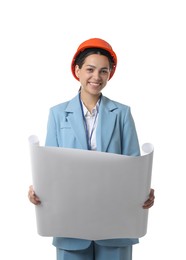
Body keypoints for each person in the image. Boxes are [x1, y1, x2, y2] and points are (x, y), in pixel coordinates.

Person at [28, 37, 155, 260]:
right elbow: (50, 167)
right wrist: (39, 189)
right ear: (77, 71)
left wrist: (143, 189)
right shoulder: (57, 115)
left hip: (116, 222)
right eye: (90, 69)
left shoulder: (122, 114)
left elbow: (135, 165)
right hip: (70, 222)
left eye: (103, 71)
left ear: (109, 75)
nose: (96, 77)